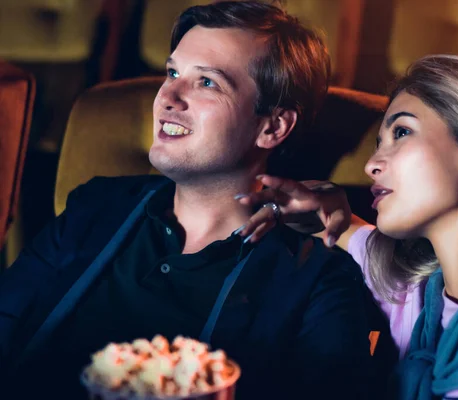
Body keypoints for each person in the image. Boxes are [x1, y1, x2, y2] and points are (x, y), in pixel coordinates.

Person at [0, 2, 373, 399]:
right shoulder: (94, 206)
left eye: (207, 82)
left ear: (273, 126)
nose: (168, 97)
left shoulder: (317, 277)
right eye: (173, 72)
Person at [235, 55, 458, 399]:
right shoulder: (421, 298)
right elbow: (354, 239)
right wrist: (327, 209)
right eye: (379, 143)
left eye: (403, 133)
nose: (372, 165)